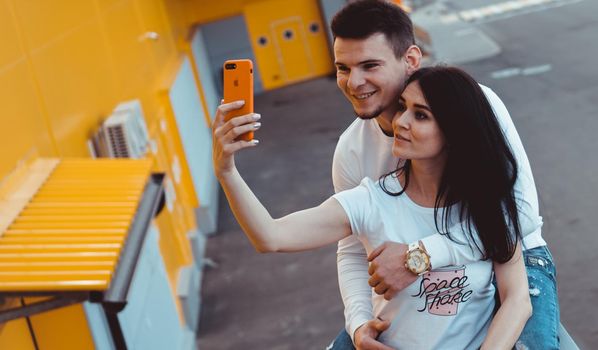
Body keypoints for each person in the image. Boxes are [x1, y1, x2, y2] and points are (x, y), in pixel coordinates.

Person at [212, 65, 532, 349]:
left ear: (453, 133)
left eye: (421, 115)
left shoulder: (483, 201)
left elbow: (517, 298)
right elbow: (271, 236)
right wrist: (226, 171)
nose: (401, 121)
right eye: (403, 107)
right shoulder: (371, 201)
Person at [325, 1, 558, 349]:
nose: (354, 82)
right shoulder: (351, 150)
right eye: (343, 68)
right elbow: (352, 248)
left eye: (369, 65)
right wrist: (359, 323)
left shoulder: (476, 104)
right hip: (421, 282)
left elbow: (519, 216)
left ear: (412, 60)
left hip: (512, 259)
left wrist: (418, 255)